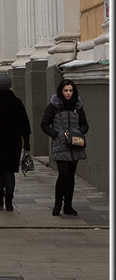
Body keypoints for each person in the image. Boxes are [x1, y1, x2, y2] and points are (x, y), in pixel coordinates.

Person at [41, 78, 89, 216]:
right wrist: (56, 135)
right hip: (60, 145)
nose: (68, 93)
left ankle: (68, 206)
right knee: (63, 174)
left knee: (71, 177)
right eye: (65, 90)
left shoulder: (77, 106)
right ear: (61, 91)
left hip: (75, 145)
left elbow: (85, 124)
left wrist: (79, 132)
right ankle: (58, 204)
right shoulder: (54, 106)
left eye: (70, 91)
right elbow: (44, 124)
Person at [0, 73, 31, 211]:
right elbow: (25, 124)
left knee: (0, 171)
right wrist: (27, 143)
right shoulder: (17, 102)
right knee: (10, 171)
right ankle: (9, 202)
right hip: (14, 142)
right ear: (10, 85)